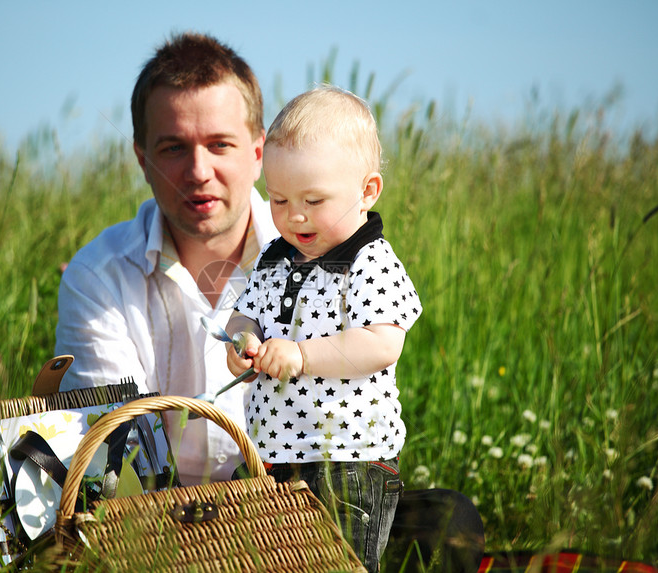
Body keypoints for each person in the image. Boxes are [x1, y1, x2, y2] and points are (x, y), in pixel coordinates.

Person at [54, 32, 278, 486]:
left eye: (220, 145)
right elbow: (120, 461)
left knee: (450, 520)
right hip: (154, 532)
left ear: (257, 154)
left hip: (294, 512)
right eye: (174, 148)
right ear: (142, 159)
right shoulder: (97, 279)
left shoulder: (321, 261)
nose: (198, 172)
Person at [226, 85, 422, 572]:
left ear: (367, 191)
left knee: (343, 562)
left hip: (347, 461)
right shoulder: (274, 258)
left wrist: (302, 355)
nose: (294, 215)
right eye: (278, 199)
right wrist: (243, 339)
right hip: (272, 453)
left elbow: (382, 343)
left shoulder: (368, 261)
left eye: (314, 200)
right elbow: (245, 311)